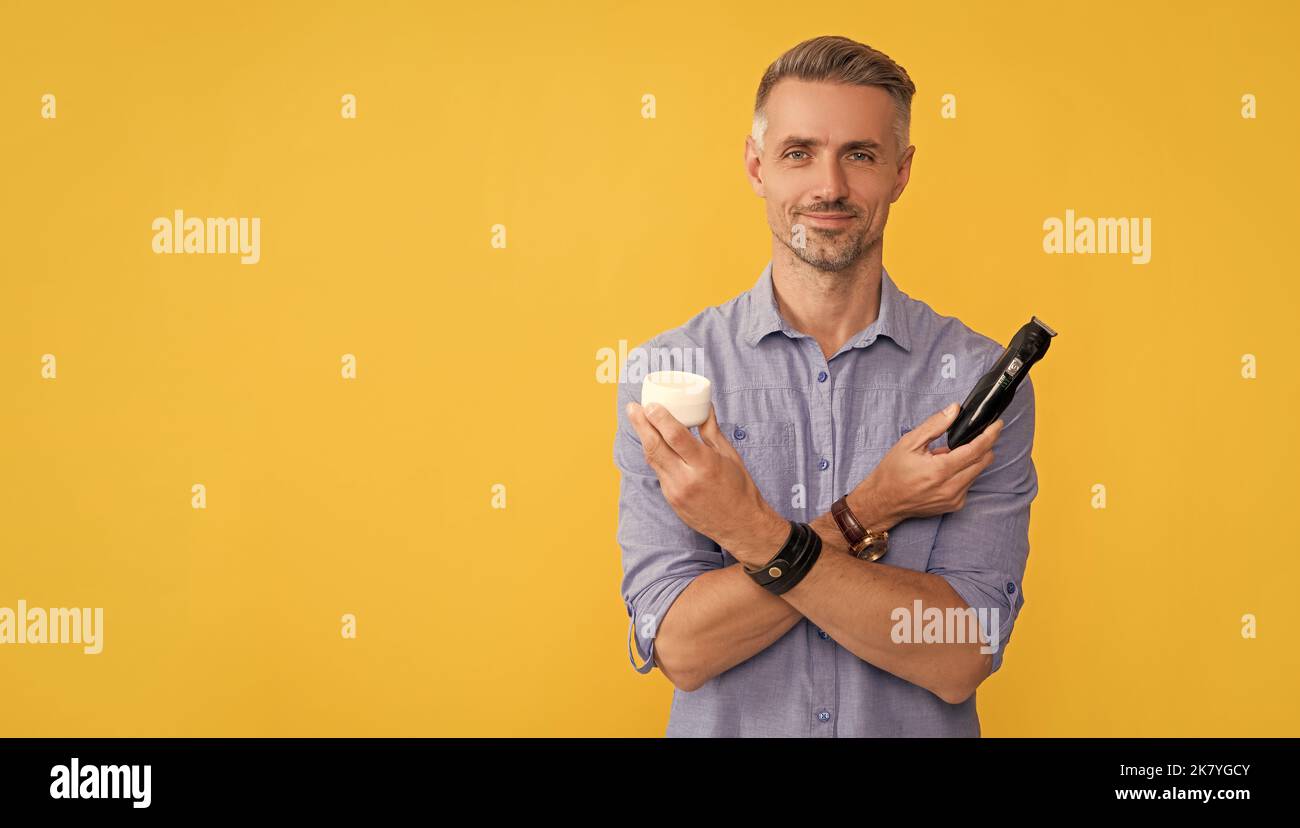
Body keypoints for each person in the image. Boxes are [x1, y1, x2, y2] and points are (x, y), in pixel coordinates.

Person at [613, 35, 1039, 737]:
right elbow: (684, 649)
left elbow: (958, 654)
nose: (830, 187)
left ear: (900, 172)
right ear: (757, 166)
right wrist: (871, 508)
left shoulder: (979, 383)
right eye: (798, 152)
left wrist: (748, 532)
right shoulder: (669, 374)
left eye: (860, 155)